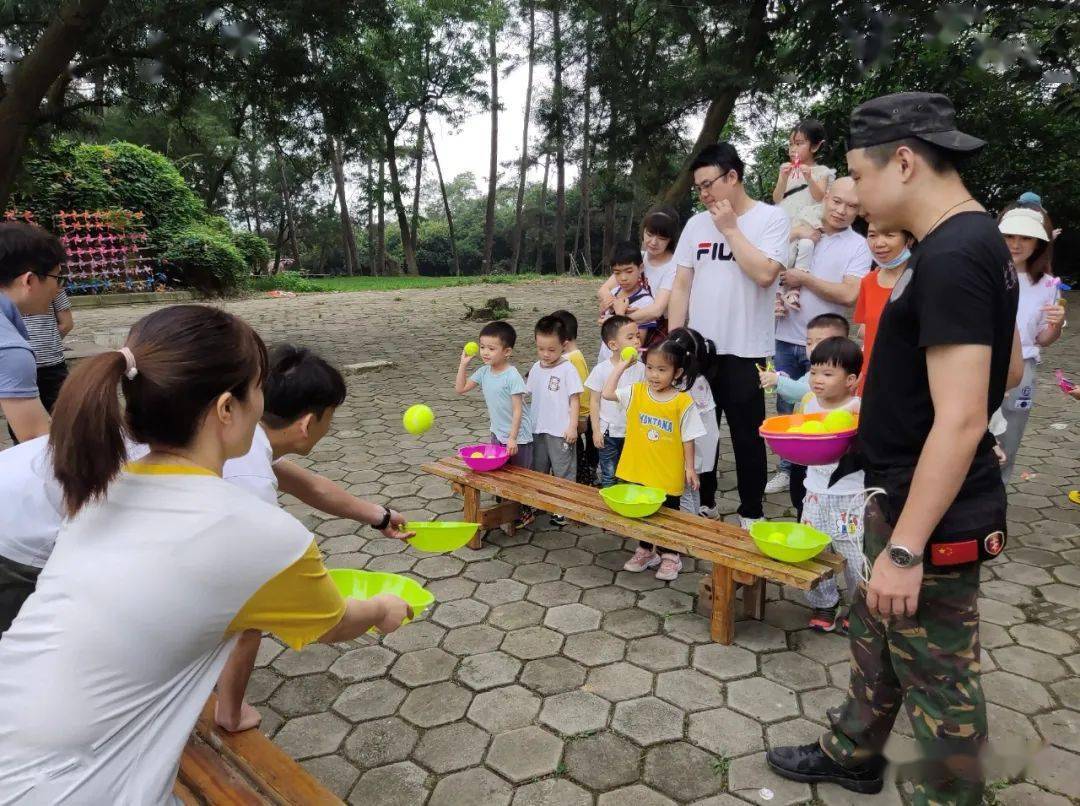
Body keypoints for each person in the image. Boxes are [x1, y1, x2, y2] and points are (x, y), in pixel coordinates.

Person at [0, 306, 411, 803]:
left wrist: (374, 513)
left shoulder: (103, 485)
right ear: (225, 409)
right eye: (258, 388)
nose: (265, 404)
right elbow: (334, 624)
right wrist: (384, 607)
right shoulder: (257, 532)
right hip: (73, 784)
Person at [767, 92, 1020, 804]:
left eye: (857, 175)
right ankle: (852, 753)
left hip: (929, 516)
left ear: (903, 161)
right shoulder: (973, 244)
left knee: (940, 682)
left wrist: (906, 550)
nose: (847, 194)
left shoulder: (953, 255)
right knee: (875, 636)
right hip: (903, 491)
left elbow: (965, 418)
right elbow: (1009, 369)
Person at [668, 142, 790, 528]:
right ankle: (703, 502)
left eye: (709, 184)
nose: (704, 194)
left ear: (733, 177)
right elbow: (682, 283)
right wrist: (675, 343)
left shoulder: (772, 220)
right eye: (698, 188)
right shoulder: (694, 225)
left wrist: (730, 229)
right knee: (699, 431)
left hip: (745, 349)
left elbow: (765, 274)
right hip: (699, 351)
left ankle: (751, 511)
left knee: (746, 437)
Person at [769, 176, 871, 495]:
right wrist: (776, 297)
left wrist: (805, 278)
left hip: (828, 350)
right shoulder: (796, 229)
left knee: (828, 412)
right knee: (789, 408)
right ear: (825, 197)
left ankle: (824, 471)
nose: (841, 210)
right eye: (837, 201)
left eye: (851, 206)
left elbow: (848, 294)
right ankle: (788, 468)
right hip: (786, 337)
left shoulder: (859, 245)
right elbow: (771, 273)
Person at [601, 336, 707, 581]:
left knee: (668, 514)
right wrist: (623, 365)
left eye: (662, 369)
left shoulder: (682, 402)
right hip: (639, 468)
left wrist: (690, 467)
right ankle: (647, 550)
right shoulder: (636, 392)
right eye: (650, 368)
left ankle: (671, 555)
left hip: (667, 471)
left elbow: (688, 437)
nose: (654, 375)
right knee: (642, 511)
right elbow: (607, 393)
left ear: (677, 372)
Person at [792, 336, 865, 633]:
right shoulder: (809, 403)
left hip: (850, 494)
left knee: (854, 554)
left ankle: (862, 607)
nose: (817, 380)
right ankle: (824, 602)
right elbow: (798, 433)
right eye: (813, 372)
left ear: (850, 380)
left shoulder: (858, 407)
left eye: (827, 373)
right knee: (814, 549)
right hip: (815, 492)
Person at [760, 312, 852, 519]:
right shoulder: (810, 373)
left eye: (821, 342)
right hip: (805, 456)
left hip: (832, 460)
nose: (813, 348)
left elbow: (804, 391)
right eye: (809, 342)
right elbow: (798, 390)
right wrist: (780, 381)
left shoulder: (843, 380)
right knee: (799, 495)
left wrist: (779, 381)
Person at [996, 206, 1063, 483]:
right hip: (980, 363)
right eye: (1009, 236)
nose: (1016, 244)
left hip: (1023, 367)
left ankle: (998, 496)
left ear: (1038, 243)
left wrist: (1057, 324)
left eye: (1025, 237)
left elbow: (1043, 339)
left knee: (1009, 437)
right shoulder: (986, 273)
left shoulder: (1048, 285)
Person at [0, 221, 65, 443]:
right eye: (58, 278)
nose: (59, 288)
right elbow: (39, 447)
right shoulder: (10, 349)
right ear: (29, 280)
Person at [526, 315, 583, 527]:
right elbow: (527, 394)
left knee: (563, 470)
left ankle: (564, 507)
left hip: (561, 431)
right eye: (541, 349)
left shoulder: (568, 369)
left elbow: (574, 399)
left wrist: (572, 426)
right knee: (539, 467)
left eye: (551, 349)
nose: (546, 354)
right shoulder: (535, 367)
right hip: (537, 427)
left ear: (564, 345)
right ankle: (541, 502)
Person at [455, 320, 534, 469]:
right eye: (482, 347)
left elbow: (518, 410)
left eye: (491, 348)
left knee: (521, 478)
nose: (485, 352)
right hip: (497, 434)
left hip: (519, 438)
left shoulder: (512, 376)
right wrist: (463, 364)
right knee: (499, 474)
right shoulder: (484, 372)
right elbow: (461, 388)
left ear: (507, 352)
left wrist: (512, 438)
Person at [773, 119, 837, 287]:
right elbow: (777, 198)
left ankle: (796, 285)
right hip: (788, 219)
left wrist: (809, 177)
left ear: (815, 147)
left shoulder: (822, 172)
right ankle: (779, 292)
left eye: (799, 143)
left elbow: (818, 197)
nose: (793, 149)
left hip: (807, 221)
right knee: (783, 253)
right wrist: (783, 178)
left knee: (804, 248)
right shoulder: (786, 170)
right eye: (790, 144)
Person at [666, 328, 721, 517]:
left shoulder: (694, 384)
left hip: (691, 446)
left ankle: (689, 527)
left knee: (687, 489)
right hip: (684, 443)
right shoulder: (687, 379)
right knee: (687, 487)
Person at [853, 223, 914, 394]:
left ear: (909, 239)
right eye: (872, 235)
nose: (879, 243)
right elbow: (865, 331)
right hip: (871, 381)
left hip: (910, 381)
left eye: (889, 235)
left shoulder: (924, 279)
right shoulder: (868, 281)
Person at [597, 205, 681, 330]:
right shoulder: (639, 257)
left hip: (657, 329)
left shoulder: (674, 267)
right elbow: (604, 289)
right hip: (626, 325)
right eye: (649, 234)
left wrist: (617, 319)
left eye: (662, 238)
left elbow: (656, 311)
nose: (653, 242)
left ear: (671, 239)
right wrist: (611, 303)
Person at [585, 315, 645, 488]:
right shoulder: (601, 370)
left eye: (637, 336)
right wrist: (596, 431)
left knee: (631, 474)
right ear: (613, 345)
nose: (636, 341)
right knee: (609, 474)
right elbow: (594, 402)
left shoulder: (642, 369)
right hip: (608, 432)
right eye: (630, 337)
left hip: (633, 432)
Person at [551, 310, 595, 486]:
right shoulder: (570, 356)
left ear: (564, 342)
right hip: (569, 417)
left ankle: (579, 484)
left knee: (572, 452)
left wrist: (582, 417)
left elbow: (582, 392)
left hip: (574, 419)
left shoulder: (571, 360)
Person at [597, 241, 660, 362]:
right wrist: (604, 309)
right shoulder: (614, 292)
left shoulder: (645, 302)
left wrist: (620, 314)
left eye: (629, 271)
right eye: (617, 273)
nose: (623, 278)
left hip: (628, 364)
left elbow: (637, 342)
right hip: (605, 360)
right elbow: (603, 323)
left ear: (640, 268)